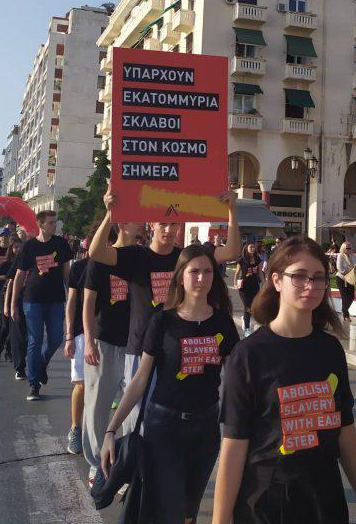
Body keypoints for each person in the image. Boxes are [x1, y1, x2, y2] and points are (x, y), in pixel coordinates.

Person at [213, 236, 356, 524]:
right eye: (300, 277)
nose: (310, 286)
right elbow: (233, 446)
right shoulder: (249, 354)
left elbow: (346, 433)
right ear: (277, 280)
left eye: (318, 277)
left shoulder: (330, 350)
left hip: (325, 503)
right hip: (266, 505)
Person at [100, 244, 240, 523]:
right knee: (168, 507)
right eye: (194, 271)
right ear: (180, 276)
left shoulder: (223, 323)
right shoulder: (162, 321)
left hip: (205, 428)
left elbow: (236, 379)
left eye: (208, 271)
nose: (201, 278)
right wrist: (110, 430)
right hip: (164, 427)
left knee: (189, 509)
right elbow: (140, 380)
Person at [88, 184, 240, 432]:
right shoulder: (135, 256)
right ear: (152, 226)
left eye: (174, 225)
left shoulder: (185, 258)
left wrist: (232, 211)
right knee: (136, 423)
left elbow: (232, 251)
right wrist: (110, 215)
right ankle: (130, 466)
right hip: (140, 349)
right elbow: (96, 252)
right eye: (163, 224)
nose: (169, 230)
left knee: (168, 421)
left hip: (177, 350)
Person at [82, 222, 138, 485]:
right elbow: (88, 304)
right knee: (98, 406)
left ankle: (123, 461)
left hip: (133, 345)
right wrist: (89, 342)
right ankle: (96, 464)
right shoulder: (100, 260)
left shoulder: (141, 258)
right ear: (122, 224)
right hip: (104, 342)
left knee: (133, 408)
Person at [12, 211, 73, 401]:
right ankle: (34, 383)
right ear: (41, 224)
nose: (55, 225)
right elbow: (19, 276)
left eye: (55, 222)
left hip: (55, 299)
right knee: (35, 340)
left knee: (55, 338)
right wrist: (13, 304)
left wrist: (72, 296)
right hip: (33, 300)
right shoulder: (29, 246)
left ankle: (41, 364)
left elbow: (67, 274)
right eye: (51, 222)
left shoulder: (61, 244)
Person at [64, 247, 91, 456]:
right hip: (82, 333)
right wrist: (69, 335)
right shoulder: (80, 268)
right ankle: (75, 427)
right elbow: (72, 301)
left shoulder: (119, 266)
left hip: (112, 336)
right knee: (81, 385)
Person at [3, 238, 27, 380]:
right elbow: (11, 283)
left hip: (33, 301)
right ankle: (20, 367)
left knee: (30, 337)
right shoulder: (20, 259)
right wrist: (7, 305)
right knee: (18, 336)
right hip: (17, 300)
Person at [235, 241, 263, 336]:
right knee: (247, 307)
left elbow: (260, 273)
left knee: (253, 306)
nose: (252, 249)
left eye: (253, 247)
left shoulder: (257, 259)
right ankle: (247, 328)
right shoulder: (242, 260)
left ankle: (245, 319)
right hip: (244, 287)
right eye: (250, 247)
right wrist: (235, 283)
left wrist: (263, 283)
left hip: (255, 285)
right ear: (246, 248)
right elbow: (237, 273)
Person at [335, 241, 356, 322]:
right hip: (341, 278)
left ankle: (344, 310)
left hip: (350, 278)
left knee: (351, 297)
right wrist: (348, 271)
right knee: (345, 297)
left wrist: (355, 268)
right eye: (347, 248)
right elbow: (339, 267)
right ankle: (346, 315)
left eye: (350, 248)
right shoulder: (340, 255)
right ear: (343, 248)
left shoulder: (352, 255)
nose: (349, 249)